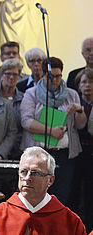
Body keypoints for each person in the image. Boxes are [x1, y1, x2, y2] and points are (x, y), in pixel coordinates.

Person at [20, 57, 86, 205]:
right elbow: (26, 120)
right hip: (40, 153)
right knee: (38, 194)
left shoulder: (71, 94)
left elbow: (80, 125)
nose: (55, 80)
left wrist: (79, 111)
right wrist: (51, 131)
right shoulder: (32, 93)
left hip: (64, 154)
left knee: (62, 196)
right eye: (50, 77)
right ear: (43, 75)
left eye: (58, 76)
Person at [0, 146, 87, 234]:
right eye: (24, 172)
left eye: (35, 173)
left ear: (50, 180)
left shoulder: (70, 222)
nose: (27, 178)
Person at [70, 68, 93, 232]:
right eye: (84, 82)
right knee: (74, 190)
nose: (88, 86)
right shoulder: (73, 104)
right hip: (77, 153)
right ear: (78, 86)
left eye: (91, 82)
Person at [0, 58, 24, 159]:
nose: (11, 77)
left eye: (15, 74)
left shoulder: (24, 99)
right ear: (1, 75)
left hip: (17, 150)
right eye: (8, 74)